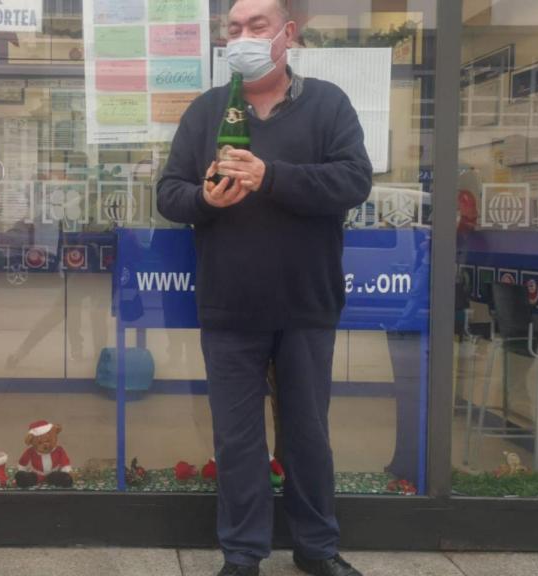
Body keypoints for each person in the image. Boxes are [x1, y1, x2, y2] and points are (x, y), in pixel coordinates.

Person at [156, 0, 372, 575]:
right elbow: (169, 193)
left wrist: (270, 177)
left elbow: (354, 181)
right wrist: (203, 198)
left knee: (307, 437)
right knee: (238, 441)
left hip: (306, 303)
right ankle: (243, 554)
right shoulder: (206, 113)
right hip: (231, 306)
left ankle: (316, 549)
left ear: (287, 35)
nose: (243, 37)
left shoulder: (327, 104)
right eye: (233, 28)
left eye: (257, 26)